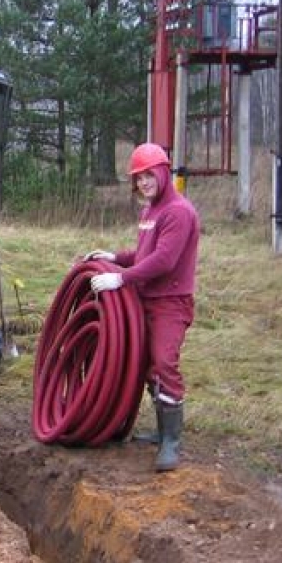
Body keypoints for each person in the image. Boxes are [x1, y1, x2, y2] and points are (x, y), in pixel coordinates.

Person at [85, 142, 200, 473]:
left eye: (149, 175)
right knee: (146, 363)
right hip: (146, 298)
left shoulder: (178, 212)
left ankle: (172, 443)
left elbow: (164, 261)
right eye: (139, 178)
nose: (144, 183)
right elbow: (145, 254)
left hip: (170, 301)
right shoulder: (150, 211)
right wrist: (115, 257)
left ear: (163, 173)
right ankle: (163, 432)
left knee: (164, 362)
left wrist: (121, 279)